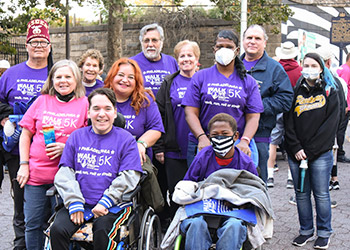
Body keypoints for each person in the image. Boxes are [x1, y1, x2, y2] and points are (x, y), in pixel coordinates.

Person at [49, 88, 143, 250]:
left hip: (114, 205)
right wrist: (74, 201)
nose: (101, 114)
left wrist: (106, 201)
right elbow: (65, 173)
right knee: (57, 230)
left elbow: (129, 176)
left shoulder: (126, 140)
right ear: (88, 112)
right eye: (96, 109)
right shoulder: (77, 137)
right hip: (80, 203)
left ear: (114, 112)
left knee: (102, 232)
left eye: (107, 109)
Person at [17, 59, 89, 249]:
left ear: (77, 79)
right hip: (37, 175)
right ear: (52, 80)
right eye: (58, 77)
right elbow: (26, 133)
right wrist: (23, 164)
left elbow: (90, 139)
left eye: (68, 76)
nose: (63, 81)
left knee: (65, 228)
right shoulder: (42, 101)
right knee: (32, 225)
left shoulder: (85, 104)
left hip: (68, 178)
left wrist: (66, 148)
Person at [0, 18, 53, 250]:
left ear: (49, 46)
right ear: (27, 45)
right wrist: (5, 119)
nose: (39, 45)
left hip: (50, 149)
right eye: (34, 41)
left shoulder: (57, 72)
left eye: (43, 42)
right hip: (15, 149)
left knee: (50, 201)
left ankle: (50, 242)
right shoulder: (11, 73)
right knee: (21, 201)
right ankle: (22, 244)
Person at [178, 113, 266, 250]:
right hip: (203, 209)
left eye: (225, 134)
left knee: (234, 226)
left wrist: (236, 201)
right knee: (196, 224)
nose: (220, 138)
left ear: (236, 136)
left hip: (232, 212)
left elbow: (254, 192)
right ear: (209, 137)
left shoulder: (245, 161)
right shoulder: (203, 157)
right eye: (215, 135)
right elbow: (187, 187)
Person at [182, 29, 264, 168]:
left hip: (236, 146)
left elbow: (253, 117)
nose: (224, 50)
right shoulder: (200, 77)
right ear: (214, 50)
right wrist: (201, 138)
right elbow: (190, 112)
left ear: (237, 50)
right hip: (203, 144)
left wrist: (245, 141)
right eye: (220, 46)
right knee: (203, 186)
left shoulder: (248, 82)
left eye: (229, 47)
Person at [284, 53, 339, 249]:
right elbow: (288, 121)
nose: (309, 68)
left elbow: (330, 125)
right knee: (301, 194)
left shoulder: (330, 90)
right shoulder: (295, 89)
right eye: (305, 65)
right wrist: (297, 148)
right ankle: (305, 230)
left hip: (320, 154)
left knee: (321, 194)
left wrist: (310, 151)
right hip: (296, 153)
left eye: (313, 65)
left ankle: (324, 232)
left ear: (321, 68)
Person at [104, 58, 165, 212]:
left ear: (136, 81)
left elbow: (156, 129)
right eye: (121, 75)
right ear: (112, 77)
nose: (125, 80)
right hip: (105, 152)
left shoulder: (145, 100)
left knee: (145, 172)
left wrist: (141, 144)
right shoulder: (101, 98)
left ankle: (154, 207)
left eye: (131, 77)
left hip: (135, 154)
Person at [241, 24, 294, 183]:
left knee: (257, 183)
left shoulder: (274, 68)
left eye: (257, 38)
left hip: (260, 136)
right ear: (243, 41)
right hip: (232, 134)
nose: (252, 41)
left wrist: (257, 107)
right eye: (249, 38)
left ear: (264, 43)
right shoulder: (232, 65)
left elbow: (286, 99)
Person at [153, 40, 200, 216]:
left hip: (198, 148)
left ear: (197, 59)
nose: (186, 59)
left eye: (190, 55)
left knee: (197, 190)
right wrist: (159, 147)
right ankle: (176, 229)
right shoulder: (169, 82)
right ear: (177, 59)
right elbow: (159, 116)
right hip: (174, 150)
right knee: (176, 193)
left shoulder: (203, 81)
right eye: (182, 56)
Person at [267, 41, 302, 188]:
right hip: (294, 110)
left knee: (273, 142)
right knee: (292, 141)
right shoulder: (299, 70)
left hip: (277, 108)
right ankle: (290, 177)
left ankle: (269, 176)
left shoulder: (275, 68)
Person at [316, 45, 347, 191]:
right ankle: (333, 179)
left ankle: (327, 181)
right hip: (331, 128)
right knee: (331, 152)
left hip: (316, 130)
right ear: (328, 61)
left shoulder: (311, 81)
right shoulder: (337, 81)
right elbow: (342, 107)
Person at [130, 23, 178, 97]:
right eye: (146, 41)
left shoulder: (171, 62)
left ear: (161, 42)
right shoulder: (132, 63)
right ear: (141, 42)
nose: (150, 44)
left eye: (154, 40)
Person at [336, 53, 350, 163]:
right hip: (346, 105)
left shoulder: (342, 68)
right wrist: (346, 105)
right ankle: (340, 153)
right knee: (341, 130)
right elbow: (343, 89)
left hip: (343, 104)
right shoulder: (347, 71)